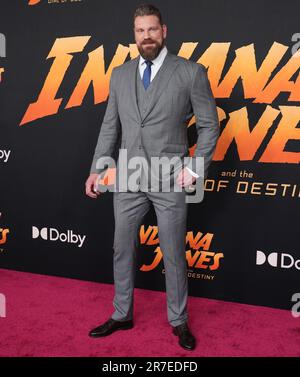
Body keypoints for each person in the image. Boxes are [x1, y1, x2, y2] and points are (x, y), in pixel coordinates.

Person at [85, 4, 219, 351]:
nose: (146, 36)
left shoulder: (190, 72)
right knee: (121, 248)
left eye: (152, 29)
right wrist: (98, 170)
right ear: (134, 35)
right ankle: (121, 313)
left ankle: (179, 321)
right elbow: (110, 126)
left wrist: (194, 168)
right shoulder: (119, 74)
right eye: (140, 31)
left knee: (173, 252)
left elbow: (209, 126)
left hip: (170, 177)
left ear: (164, 31)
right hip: (127, 175)